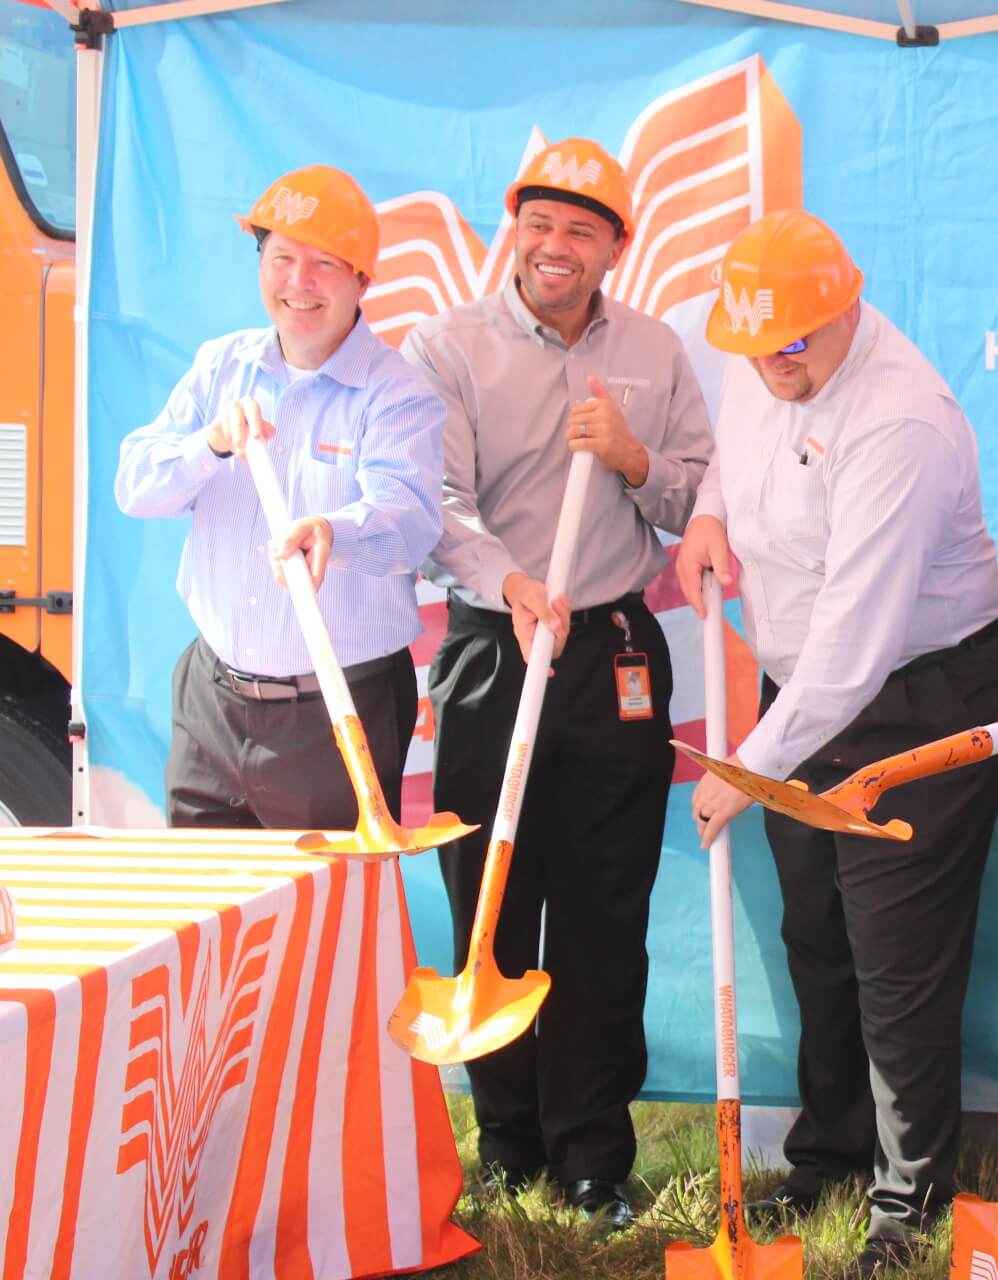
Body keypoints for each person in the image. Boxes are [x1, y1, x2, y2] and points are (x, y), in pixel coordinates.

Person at [677, 209, 998, 1277]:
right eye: (759, 342)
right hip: (805, 692)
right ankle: (828, 1149)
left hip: (920, 697)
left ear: (848, 306)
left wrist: (747, 769)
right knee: (818, 934)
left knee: (897, 958)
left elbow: (856, 647)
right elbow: (732, 464)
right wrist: (703, 512)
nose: (777, 359)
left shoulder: (900, 418)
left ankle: (908, 1197)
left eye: (798, 339)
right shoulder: (758, 353)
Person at [402, 137, 713, 1228]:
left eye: (582, 229)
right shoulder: (448, 346)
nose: (555, 245)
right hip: (498, 645)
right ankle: (507, 1145)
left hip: (613, 653)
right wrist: (510, 579)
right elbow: (433, 501)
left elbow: (693, 498)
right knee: (490, 902)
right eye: (540, 223)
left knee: (602, 907)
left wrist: (632, 455)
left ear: (616, 248)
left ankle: (591, 1153)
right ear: (514, 231)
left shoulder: (657, 351)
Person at [115, 164, 442, 830]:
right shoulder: (221, 365)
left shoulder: (397, 393)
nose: (299, 282)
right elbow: (135, 484)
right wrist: (207, 445)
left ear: (362, 279)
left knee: (330, 923)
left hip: (338, 708)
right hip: (212, 697)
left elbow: (407, 519)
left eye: (325, 263)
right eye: (282, 258)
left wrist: (334, 529)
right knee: (207, 917)